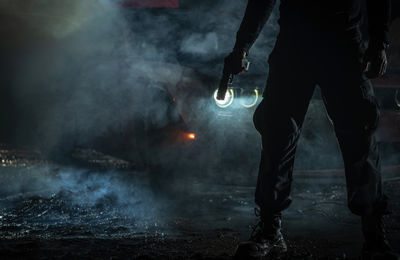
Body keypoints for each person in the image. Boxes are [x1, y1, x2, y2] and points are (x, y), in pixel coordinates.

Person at [222, 0, 399, 259]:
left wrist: (379, 43)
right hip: (295, 47)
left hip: (343, 46)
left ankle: (373, 235)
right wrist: (242, 47)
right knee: (277, 134)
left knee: (359, 137)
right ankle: (270, 230)